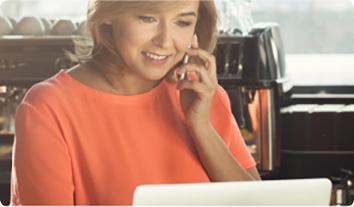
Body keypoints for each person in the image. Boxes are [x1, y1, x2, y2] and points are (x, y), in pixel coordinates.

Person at [11, 0, 261, 205]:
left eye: (182, 22)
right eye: (147, 18)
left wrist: (201, 127)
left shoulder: (204, 96)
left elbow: (257, 202)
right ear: (108, 13)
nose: (165, 41)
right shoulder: (48, 108)